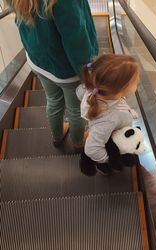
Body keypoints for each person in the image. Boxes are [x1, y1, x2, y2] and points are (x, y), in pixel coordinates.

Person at [4, 0, 99, 148]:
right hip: (66, 69)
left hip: (39, 62)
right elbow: (76, 41)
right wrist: (88, 74)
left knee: (53, 100)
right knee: (75, 109)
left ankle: (57, 136)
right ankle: (78, 142)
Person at [78, 54, 140, 175]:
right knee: (105, 165)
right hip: (109, 143)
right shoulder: (109, 119)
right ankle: (103, 168)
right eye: (135, 81)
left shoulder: (96, 91)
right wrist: (111, 159)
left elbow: (79, 93)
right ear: (120, 88)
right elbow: (92, 149)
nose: (138, 82)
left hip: (108, 132)